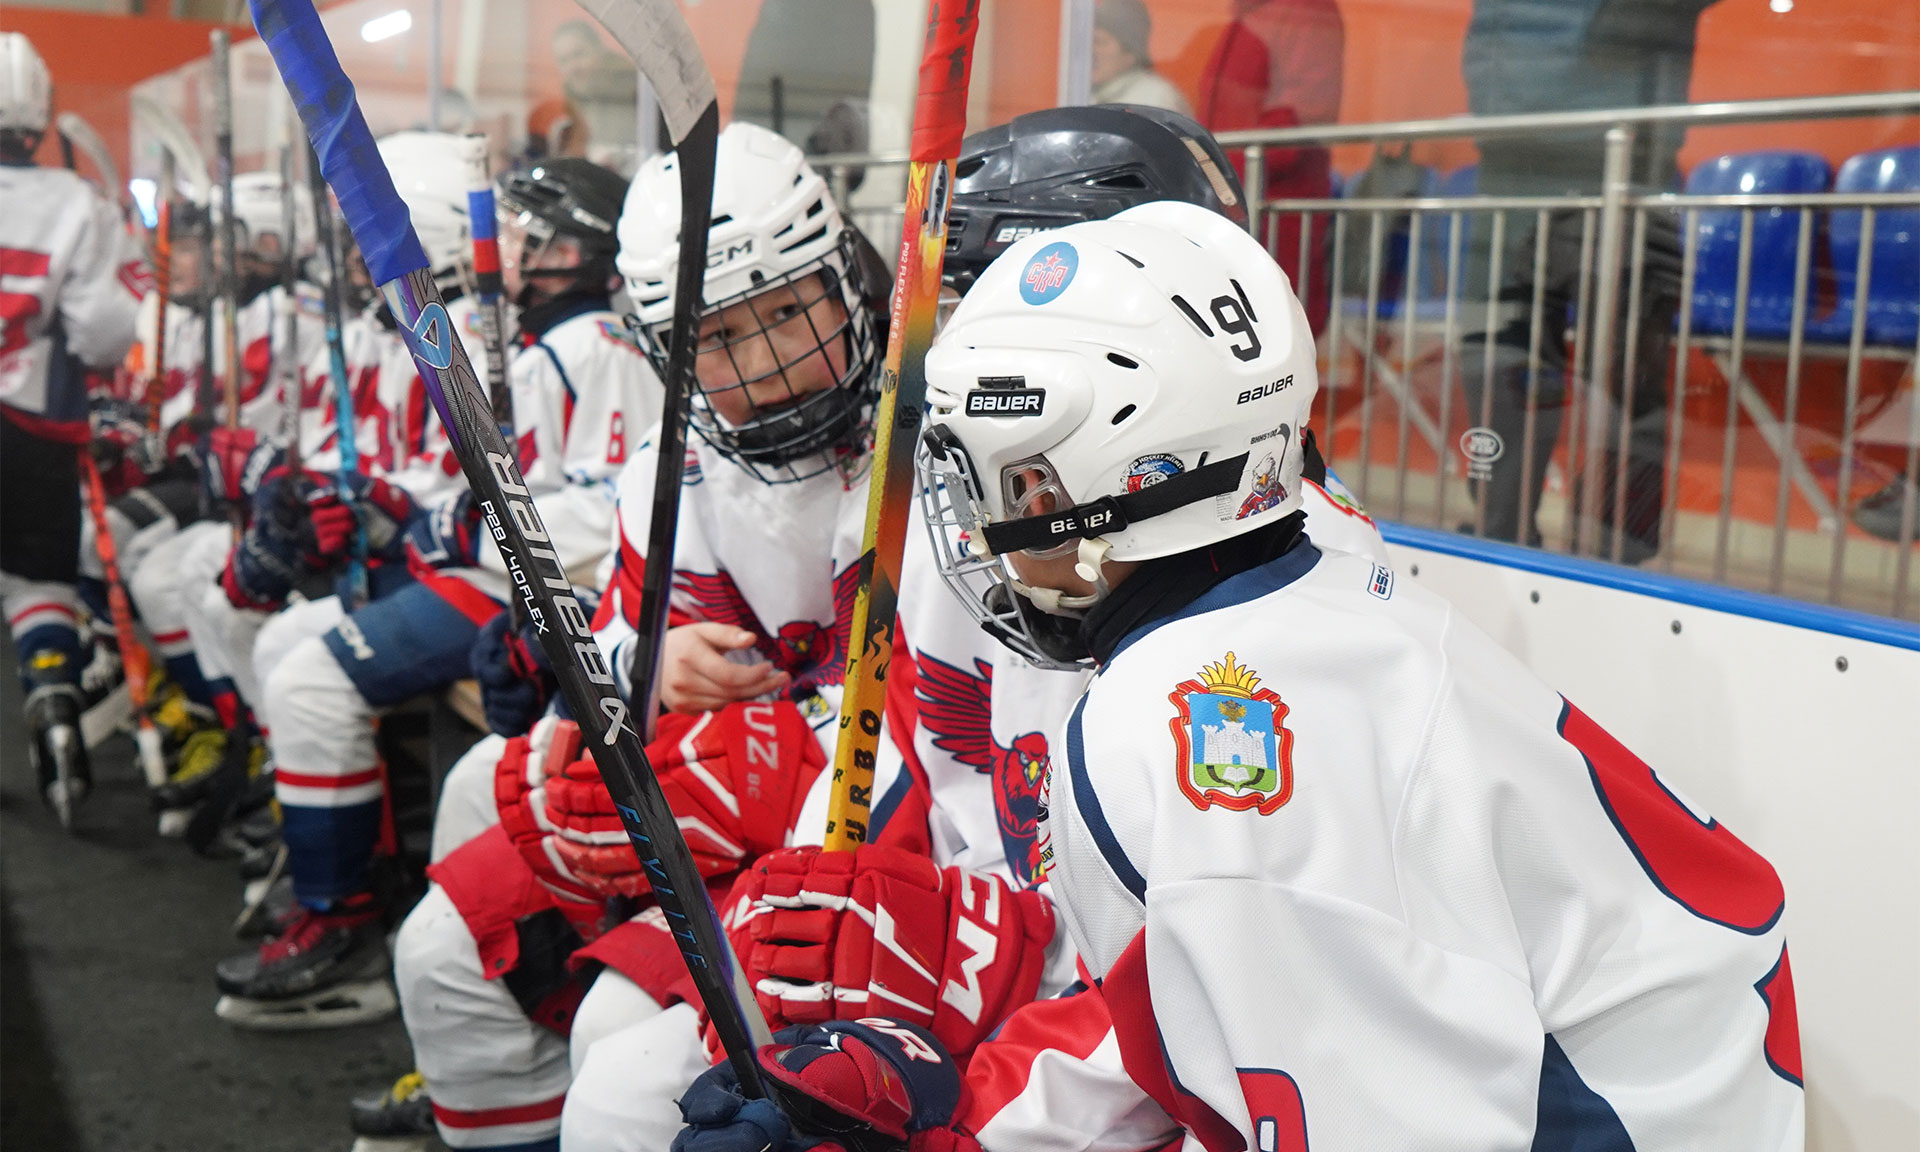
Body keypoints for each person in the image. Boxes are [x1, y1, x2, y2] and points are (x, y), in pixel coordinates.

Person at [674, 203, 1807, 1151]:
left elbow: (1371, 1109)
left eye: (1008, 483)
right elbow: (1196, 1022)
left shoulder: (1185, 736)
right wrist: (947, 1116)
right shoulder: (1305, 598)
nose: (978, 531)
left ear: (1113, 480)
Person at [368, 121, 886, 1152]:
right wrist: (655, 672)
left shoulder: (936, 448)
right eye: (719, 338)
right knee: (436, 949)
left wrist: (783, 747)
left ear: (848, 281)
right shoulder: (674, 464)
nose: (769, 363)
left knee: (620, 1057)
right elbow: (619, 654)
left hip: (863, 838)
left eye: (790, 311)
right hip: (739, 804)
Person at [211, 148, 657, 1030]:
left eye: (530, 234)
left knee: (308, 681)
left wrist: (468, 518)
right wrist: (405, 504)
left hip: (524, 592)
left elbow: (614, 504)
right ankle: (347, 871)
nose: (513, 249)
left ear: (578, 249)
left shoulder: (594, 348)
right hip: (485, 573)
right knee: (291, 657)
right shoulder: (537, 344)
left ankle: (344, 919)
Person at [1456, 0, 1719, 560]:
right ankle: (1501, 535)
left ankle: (1616, 554)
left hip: (1624, 161)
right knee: (1496, 362)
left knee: (1626, 377)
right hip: (1508, 161)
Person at [0, 32, 144, 821]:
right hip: (33, 428)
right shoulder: (76, 202)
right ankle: (55, 705)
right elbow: (106, 335)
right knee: (39, 580)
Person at [1196, 0, 1344, 333]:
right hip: (1236, 205)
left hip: (1274, 208)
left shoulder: (1303, 13)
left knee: (1278, 330)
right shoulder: (1250, 18)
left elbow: (1300, 120)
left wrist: (1217, 170)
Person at [1091, 0, 1192, 116]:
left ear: (1130, 53)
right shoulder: (1082, 92)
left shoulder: (1156, 100)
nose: (1091, 51)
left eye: (1099, 42)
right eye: (1088, 41)